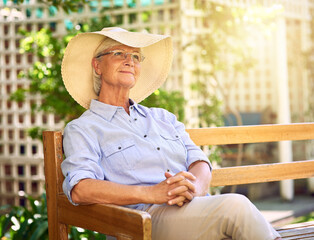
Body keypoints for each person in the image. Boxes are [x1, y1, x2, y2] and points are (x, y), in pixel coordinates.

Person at [61, 27, 282, 240]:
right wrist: (152, 193)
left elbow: (199, 162)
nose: (130, 61)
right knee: (236, 206)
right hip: (142, 221)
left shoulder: (163, 118)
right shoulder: (83, 128)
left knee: (234, 214)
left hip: (194, 209)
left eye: (136, 56)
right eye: (119, 53)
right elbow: (81, 188)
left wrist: (193, 189)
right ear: (97, 65)